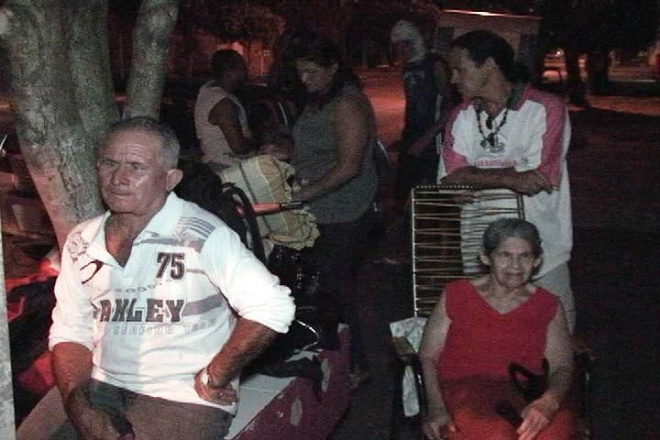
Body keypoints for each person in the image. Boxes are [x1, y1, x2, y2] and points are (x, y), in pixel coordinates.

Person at [47, 117, 295, 439]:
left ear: (170, 179)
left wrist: (215, 375)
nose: (119, 178)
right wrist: (79, 406)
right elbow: (70, 327)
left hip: (180, 393)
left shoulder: (200, 235)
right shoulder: (83, 240)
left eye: (136, 167)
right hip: (101, 382)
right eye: (109, 163)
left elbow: (272, 305)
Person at [439, 30, 575, 332]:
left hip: (541, 255)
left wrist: (473, 178)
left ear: (489, 65)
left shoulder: (545, 108)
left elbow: (539, 179)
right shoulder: (461, 117)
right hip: (482, 255)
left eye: (460, 69)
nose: (453, 79)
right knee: (488, 343)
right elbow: (450, 183)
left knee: (554, 348)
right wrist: (510, 178)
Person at [419, 218, 575, 440]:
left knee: (554, 432)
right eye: (505, 255)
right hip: (464, 389)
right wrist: (435, 409)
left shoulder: (547, 304)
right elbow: (428, 357)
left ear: (537, 260)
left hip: (525, 391)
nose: (515, 266)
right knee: (494, 432)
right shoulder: (457, 294)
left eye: (525, 256)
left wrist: (548, 402)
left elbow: (563, 365)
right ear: (486, 257)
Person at [289, 36, 378, 388]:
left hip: (344, 210)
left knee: (337, 290)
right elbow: (315, 148)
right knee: (321, 289)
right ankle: (335, 359)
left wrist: (302, 194)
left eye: (311, 72)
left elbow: (349, 166)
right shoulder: (319, 100)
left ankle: (356, 364)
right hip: (320, 208)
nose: (304, 79)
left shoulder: (347, 104)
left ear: (332, 68)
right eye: (300, 73)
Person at [390, 20, 455, 203]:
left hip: (432, 138)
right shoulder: (408, 67)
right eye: (398, 47)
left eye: (405, 44)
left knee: (427, 192)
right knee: (404, 191)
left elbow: (450, 104)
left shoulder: (435, 64)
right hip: (412, 134)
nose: (402, 50)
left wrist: (427, 137)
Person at [194, 49, 254, 172]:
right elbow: (238, 146)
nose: (246, 73)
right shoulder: (222, 102)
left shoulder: (209, 90)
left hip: (221, 164)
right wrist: (258, 140)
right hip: (227, 166)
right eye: (242, 68)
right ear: (231, 72)